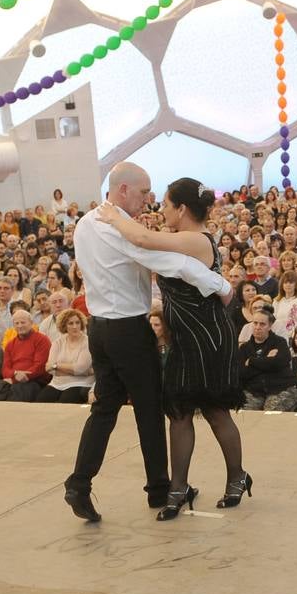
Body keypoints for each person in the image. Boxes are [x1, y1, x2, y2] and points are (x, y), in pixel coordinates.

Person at [63, 162, 232, 523]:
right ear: (123, 190)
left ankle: (79, 483)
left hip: (100, 330)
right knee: (150, 410)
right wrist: (221, 284)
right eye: (143, 192)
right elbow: (165, 261)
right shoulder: (117, 227)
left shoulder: (84, 223)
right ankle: (159, 488)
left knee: (104, 409)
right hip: (127, 331)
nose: (148, 200)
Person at [96, 177, 251, 519]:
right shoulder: (179, 239)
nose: (161, 209)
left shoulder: (196, 239)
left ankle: (237, 477)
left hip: (209, 336)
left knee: (214, 411)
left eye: (165, 204)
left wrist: (109, 213)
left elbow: (139, 238)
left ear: (181, 209)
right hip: (183, 338)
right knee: (178, 414)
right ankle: (178, 487)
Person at [237, 306, 297, 412]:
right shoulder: (244, 348)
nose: (257, 327)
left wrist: (252, 361)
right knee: (244, 414)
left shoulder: (280, 342)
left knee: (271, 412)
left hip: (282, 389)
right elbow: (241, 373)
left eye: (262, 324)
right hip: (254, 391)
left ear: (270, 326)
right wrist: (268, 361)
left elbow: (279, 363)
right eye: (255, 323)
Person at [0, 307, 52, 401]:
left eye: (23, 322)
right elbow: (5, 369)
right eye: (16, 323)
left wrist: (15, 379)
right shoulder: (10, 344)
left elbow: (40, 366)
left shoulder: (42, 340)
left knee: (18, 391)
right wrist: (15, 374)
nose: (20, 326)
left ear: (31, 323)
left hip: (35, 381)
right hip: (14, 380)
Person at [38, 309, 95, 403]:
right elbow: (49, 369)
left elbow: (80, 368)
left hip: (80, 383)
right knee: (40, 401)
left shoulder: (87, 342)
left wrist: (56, 366)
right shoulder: (58, 342)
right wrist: (80, 371)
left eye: (77, 323)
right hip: (57, 383)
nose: (75, 326)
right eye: (70, 323)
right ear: (64, 326)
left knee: (65, 402)